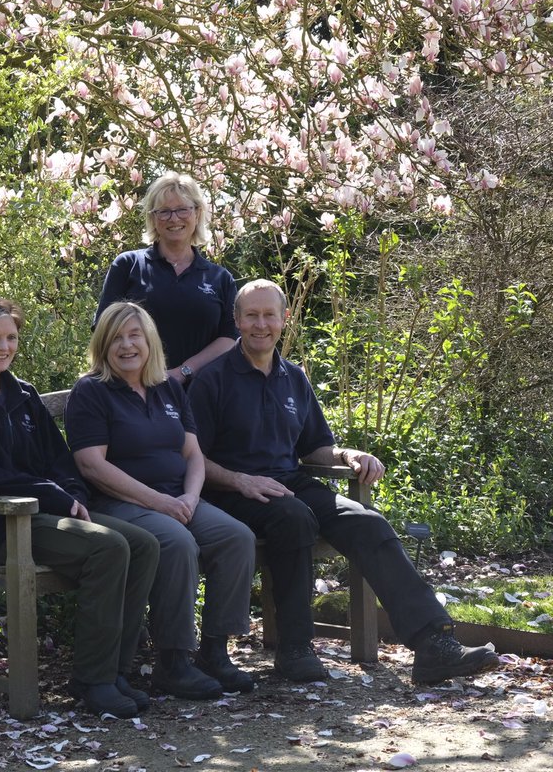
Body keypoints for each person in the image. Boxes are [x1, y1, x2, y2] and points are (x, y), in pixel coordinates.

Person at [188, 279, 500, 684]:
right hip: (230, 493)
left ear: (285, 319)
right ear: (236, 320)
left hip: (289, 484)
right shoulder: (213, 380)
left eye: (269, 315)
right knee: (293, 517)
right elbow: (192, 457)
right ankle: (295, 648)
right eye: (251, 315)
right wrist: (240, 480)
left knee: (367, 521)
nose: (260, 324)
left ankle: (433, 644)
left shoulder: (293, 378)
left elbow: (315, 448)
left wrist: (347, 455)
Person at [0, 297, 161, 718]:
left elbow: (59, 458)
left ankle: (114, 672)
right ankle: (93, 681)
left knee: (143, 543)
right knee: (109, 548)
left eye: (11, 337)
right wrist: (49, 493)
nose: (4, 347)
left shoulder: (24, 395)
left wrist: (72, 494)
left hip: (47, 518)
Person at [64, 301, 258, 699]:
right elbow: (92, 466)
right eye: (116, 338)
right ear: (102, 345)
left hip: (178, 497)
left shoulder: (167, 387)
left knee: (236, 537)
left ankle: (215, 652)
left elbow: (193, 454)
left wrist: (189, 496)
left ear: (149, 341)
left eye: (134, 335)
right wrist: (160, 502)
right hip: (119, 503)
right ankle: (173, 662)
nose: (127, 345)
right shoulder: (92, 391)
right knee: (177, 541)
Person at [95, 171, 238, 385]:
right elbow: (103, 330)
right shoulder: (128, 266)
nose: (174, 219)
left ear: (197, 213)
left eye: (182, 209)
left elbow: (230, 338)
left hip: (202, 396)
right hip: (137, 392)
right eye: (164, 212)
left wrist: (183, 371)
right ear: (153, 218)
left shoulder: (220, 278)